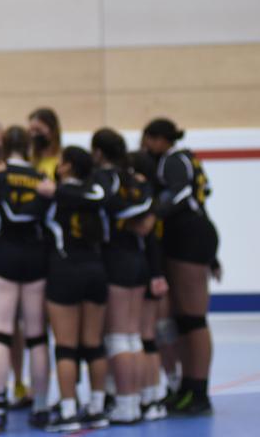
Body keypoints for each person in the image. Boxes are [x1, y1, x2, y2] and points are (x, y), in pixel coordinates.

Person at [142, 118, 218, 415]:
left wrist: (154, 213)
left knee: (194, 319)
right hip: (188, 236)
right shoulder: (183, 159)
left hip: (189, 236)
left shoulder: (174, 159)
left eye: (148, 140)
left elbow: (184, 193)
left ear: (160, 139)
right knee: (184, 319)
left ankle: (198, 390)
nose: (146, 147)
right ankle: (188, 386)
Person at [0, 126, 51, 431]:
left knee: (0, 332)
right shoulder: (42, 179)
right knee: (36, 334)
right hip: (36, 256)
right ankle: (41, 405)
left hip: (3, 255)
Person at [38, 146, 109, 432]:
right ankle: (97, 408)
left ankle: (68, 411)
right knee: (93, 343)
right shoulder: (94, 194)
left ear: (67, 167)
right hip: (95, 270)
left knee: (66, 346)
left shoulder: (53, 194)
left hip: (65, 269)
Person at [91, 128, 154, 424]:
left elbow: (109, 205)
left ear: (99, 152)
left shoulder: (105, 178)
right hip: (138, 259)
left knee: (119, 337)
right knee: (133, 337)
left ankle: (127, 404)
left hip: (116, 258)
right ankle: (138, 400)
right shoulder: (134, 178)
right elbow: (145, 213)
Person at [128, 151, 170, 422]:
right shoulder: (151, 199)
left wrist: (156, 274)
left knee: (143, 337)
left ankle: (150, 396)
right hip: (151, 269)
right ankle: (152, 395)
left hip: (144, 270)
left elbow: (148, 238)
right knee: (147, 337)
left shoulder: (144, 201)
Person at [28, 108, 61, 181]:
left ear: (52, 130)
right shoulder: (28, 159)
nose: (34, 135)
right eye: (31, 131)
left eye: (38, 130)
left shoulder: (62, 161)